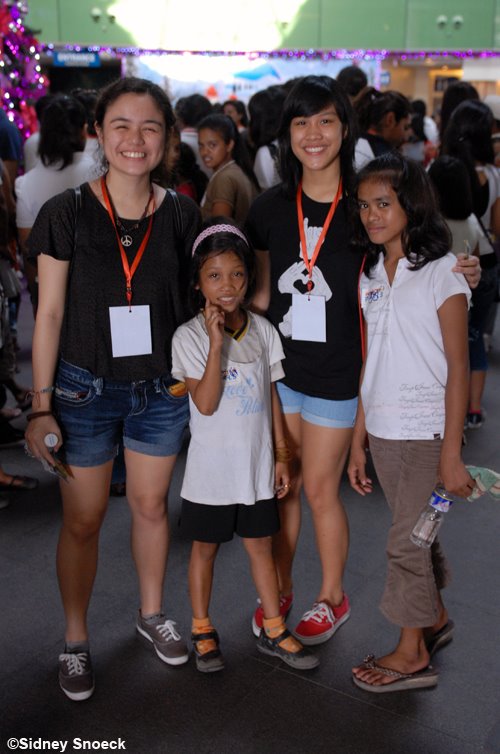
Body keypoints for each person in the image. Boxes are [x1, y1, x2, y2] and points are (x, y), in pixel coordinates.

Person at [246, 75, 480, 648]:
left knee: (320, 489)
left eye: (326, 120)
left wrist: (461, 266)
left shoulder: (362, 204)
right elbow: (260, 293)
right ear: (286, 133)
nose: (314, 134)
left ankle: (332, 597)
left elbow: (411, 250)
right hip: (281, 373)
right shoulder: (269, 207)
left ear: (345, 127)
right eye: (301, 122)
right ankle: (279, 589)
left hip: (340, 374)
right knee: (284, 487)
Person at [24, 77, 201, 701]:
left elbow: (207, 297)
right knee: (84, 519)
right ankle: (75, 639)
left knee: (152, 507)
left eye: (150, 127)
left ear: (167, 137)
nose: (135, 139)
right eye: (120, 125)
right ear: (97, 132)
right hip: (82, 390)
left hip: (161, 390)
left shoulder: (182, 214)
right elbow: (48, 314)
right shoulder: (66, 213)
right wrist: (40, 405)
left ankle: (151, 613)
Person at [348, 153, 474, 692]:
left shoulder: (444, 272)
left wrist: (452, 452)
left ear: (411, 204)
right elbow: (372, 358)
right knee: (416, 531)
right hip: (383, 429)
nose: (372, 215)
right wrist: (358, 439)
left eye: (383, 203)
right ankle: (435, 618)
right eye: (364, 206)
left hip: (427, 433)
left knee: (405, 542)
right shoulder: (370, 274)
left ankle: (411, 651)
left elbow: (459, 365)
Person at [171, 218, 318, 673]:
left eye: (237, 274)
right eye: (214, 275)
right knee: (205, 550)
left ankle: (273, 627)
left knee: (261, 546)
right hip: (211, 473)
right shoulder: (188, 337)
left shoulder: (262, 331)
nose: (227, 285)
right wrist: (216, 345)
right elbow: (207, 403)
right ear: (197, 283)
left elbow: (270, 395)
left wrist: (282, 454)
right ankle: (201, 627)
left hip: (254, 467)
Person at [441, 100, 500, 428]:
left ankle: (452, 409)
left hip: (451, 267)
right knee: (474, 338)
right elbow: (497, 225)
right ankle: (474, 408)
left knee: (450, 343)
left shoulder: (445, 167)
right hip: (484, 260)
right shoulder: (493, 174)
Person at [15, 93, 100, 310]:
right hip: (94, 284)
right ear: (83, 130)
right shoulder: (101, 173)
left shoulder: (26, 183)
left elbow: (28, 247)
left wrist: (37, 296)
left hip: (48, 287)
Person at [197, 114, 259, 225]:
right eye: (201, 145)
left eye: (212, 145)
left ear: (229, 145)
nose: (205, 152)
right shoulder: (234, 170)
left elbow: (219, 229)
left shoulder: (224, 178)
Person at [354, 89, 412, 170]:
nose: (406, 136)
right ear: (390, 120)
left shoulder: (352, 142)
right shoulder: (387, 160)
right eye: (405, 127)